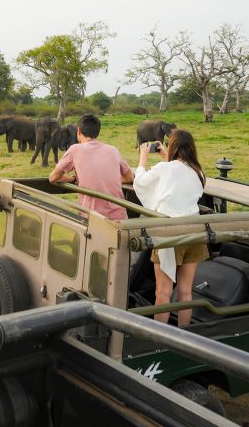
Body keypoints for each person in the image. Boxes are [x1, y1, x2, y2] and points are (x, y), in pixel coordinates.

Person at [132, 129, 206, 327]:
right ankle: (184, 336)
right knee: (185, 291)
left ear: (172, 146)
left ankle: (160, 340)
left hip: (170, 234)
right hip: (195, 231)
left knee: (162, 292)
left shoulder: (164, 169)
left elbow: (140, 183)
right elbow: (178, 179)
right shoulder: (198, 172)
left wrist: (143, 159)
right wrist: (167, 158)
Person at [48, 114, 134, 220]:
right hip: (120, 218)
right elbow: (130, 178)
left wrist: (73, 179)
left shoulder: (75, 149)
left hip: (92, 219)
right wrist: (107, 181)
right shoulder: (113, 150)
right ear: (97, 132)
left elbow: (53, 177)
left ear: (78, 131)